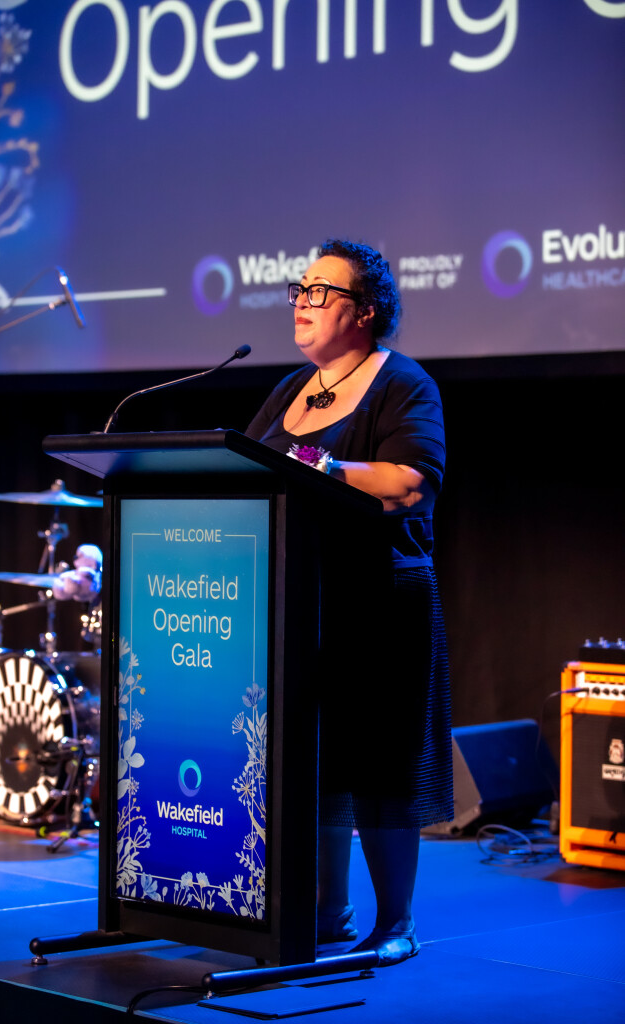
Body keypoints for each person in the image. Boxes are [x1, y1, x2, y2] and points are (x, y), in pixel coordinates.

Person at [245, 238, 453, 966]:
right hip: (302, 602)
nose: (301, 302)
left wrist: (319, 464)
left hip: (381, 602)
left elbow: (411, 484)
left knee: (381, 765)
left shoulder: (403, 384)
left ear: (364, 311)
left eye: (320, 291)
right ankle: (326, 910)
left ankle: (396, 921)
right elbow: (250, 470)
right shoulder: (288, 389)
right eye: (298, 289)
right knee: (316, 760)